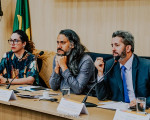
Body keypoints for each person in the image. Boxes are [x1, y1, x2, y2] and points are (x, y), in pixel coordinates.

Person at [95, 30, 150, 107]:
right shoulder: (110, 65)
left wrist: (143, 103)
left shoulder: (146, 66)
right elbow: (101, 97)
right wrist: (100, 73)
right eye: (112, 45)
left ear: (128, 48)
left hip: (139, 110)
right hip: (118, 111)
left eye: (117, 45)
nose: (113, 49)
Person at [49, 29, 95, 95]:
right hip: (65, 97)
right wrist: (57, 68)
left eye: (62, 42)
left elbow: (78, 89)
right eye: (58, 42)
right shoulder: (58, 57)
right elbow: (53, 87)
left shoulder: (86, 60)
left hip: (83, 100)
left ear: (72, 45)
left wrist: (64, 66)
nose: (59, 46)